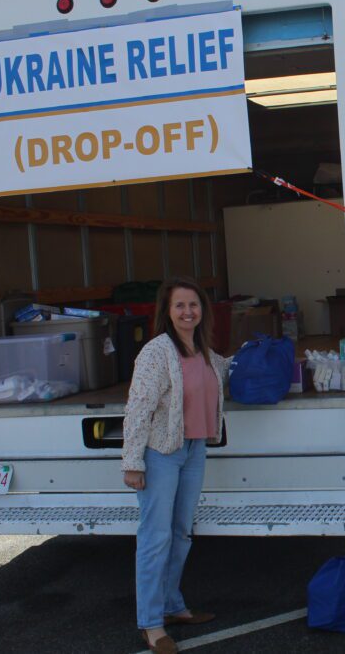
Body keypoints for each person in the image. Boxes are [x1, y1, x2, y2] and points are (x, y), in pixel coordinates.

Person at [122, 277, 231, 654]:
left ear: (202, 310)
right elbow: (138, 408)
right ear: (167, 313)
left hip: (194, 450)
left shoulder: (203, 350)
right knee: (155, 538)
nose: (188, 312)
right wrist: (133, 461)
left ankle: (172, 606)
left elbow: (225, 371)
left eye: (194, 305)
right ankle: (151, 625)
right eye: (180, 306)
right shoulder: (156, 352)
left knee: (182, 532)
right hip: (161, 453)